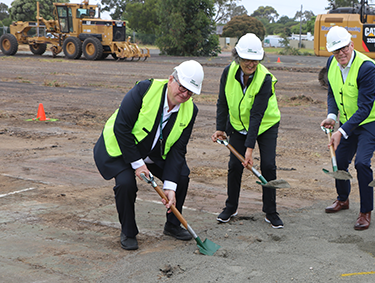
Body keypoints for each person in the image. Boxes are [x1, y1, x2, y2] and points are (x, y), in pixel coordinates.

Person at [93, 60, 202, 250]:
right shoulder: (144, 89)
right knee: (126, 184)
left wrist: (170, 186)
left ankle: (172, 225)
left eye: (190, 92)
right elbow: (121, 127)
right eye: (182, 88)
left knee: (181, 177)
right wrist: (137, 164)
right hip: (122, 148)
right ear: (171, 79)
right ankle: (128, 231)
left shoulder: (191, 110)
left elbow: (178, 149)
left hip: (153, 153)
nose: (184, 95)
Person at [320, 26, 375, 230]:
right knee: (340, 161)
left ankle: (365, 211)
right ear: (331, 52)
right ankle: (343, 199)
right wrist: (332, 116)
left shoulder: (367, 67)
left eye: (344, 48)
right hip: (350, 120)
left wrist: (341, 132)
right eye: (336, 50)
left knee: (362, 163)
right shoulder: (331, 63)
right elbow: (333, 92)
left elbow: (366, 108)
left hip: (372, 120)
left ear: (351, 45)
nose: (341, 53)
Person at [211, 33, 283, 229]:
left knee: (268, 166)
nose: (251, 64)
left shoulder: (265, 79)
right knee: (235, 165)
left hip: (266, 125)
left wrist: (249, 150)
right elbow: (223, 101)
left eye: (255, 60)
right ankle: (231, 207)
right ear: (237, 57)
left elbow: (257, 115)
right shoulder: (228, 72)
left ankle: (271, 211)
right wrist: (221, 128)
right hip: (238, 124)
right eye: (246, 59)